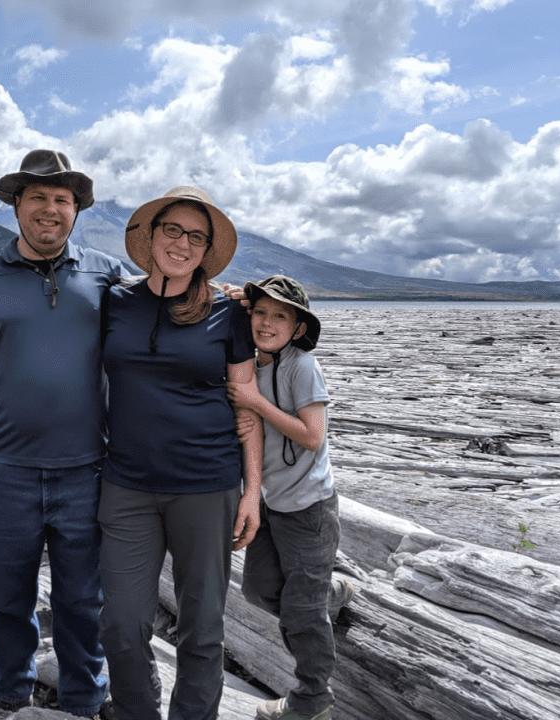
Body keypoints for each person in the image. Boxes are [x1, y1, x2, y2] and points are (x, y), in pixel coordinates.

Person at [0, 149, 125, 717]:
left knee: (82, 601)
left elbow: (161, 322)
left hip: (87, 472)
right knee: (8, 596)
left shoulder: (106, 274)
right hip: (3, 472)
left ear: (76, 210)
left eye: (62, 199)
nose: (51, 209)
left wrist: (226, 299)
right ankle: (10, 694)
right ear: (16, 205)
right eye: (39, 197)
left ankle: (82, 701)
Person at [97, 186, 264, 720]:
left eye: (196, 236)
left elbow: (247, 405)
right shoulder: (114, 302)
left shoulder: (227, 311)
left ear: (206, 249)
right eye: (173, 230)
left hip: (207, 484)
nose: (183, 243)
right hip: (126, 486)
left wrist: (252, 491)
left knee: (202, 626)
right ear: (150, 236)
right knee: (121, 624)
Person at [226, 275, 355, 720]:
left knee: (301, 613)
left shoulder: (302, 366)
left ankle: (312, 699)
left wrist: (254, 402)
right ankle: (332, 594)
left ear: (298, 328)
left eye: (279, 315)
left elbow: (313, 437)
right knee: (258, 591)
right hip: (270, 504)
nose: (266, 322)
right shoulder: (249, 364)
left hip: (310, 510)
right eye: (259, 312)